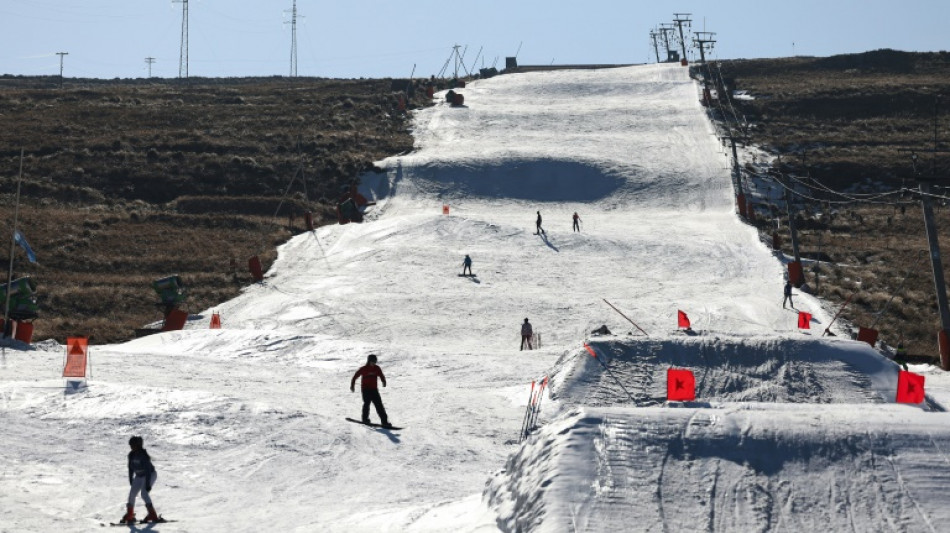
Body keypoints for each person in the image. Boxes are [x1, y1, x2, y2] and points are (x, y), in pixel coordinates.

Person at [120, 436, 161, 524]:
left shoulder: (143, 455)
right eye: (131, 445)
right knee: (132, 494)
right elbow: (130, 468)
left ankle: (152, 514)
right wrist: (131, 479)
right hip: (139, 476)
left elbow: (147, 470)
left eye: (133, 445)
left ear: (138, 445)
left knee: (144, 493)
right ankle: (130, 515)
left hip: (150, 475)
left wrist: (148, 484)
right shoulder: (131, 455)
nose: (131, 447)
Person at [351, 354, 391, 428]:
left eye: (375, 362)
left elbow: (381, 375)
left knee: (379, 405)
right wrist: (352, 385)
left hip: (374, 390)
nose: (373, 363)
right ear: (369, 361)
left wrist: (383, 381)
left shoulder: (377, 368)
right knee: (367, 404)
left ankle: (384, 422)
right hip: (365, 390)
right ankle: (365, 419)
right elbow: (355, 376)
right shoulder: (363, 369)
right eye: (372, 362)